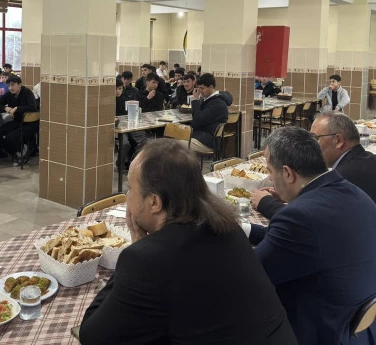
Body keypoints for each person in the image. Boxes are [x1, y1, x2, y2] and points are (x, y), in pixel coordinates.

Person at [80, 138, 297, 345]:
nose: (128, 197)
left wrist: (137, 244)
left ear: (154, 202)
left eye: (130, 189)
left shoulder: (146, 259)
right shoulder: (228, 228)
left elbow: (92, 335)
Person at [252, 112, 376, 326]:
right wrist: (245, 230)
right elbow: (297, 238)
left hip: (323, 325)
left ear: (288, 173)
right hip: (360, 309)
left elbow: (254, 274)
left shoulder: (301, 216)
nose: (270, 178)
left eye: (270, 171)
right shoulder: (345, 187)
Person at [0, 75, 38, 163]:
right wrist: (5, 108)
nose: (10, 88)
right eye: (8, 86)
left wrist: (17, 108)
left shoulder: (27, 92)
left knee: (10, 137)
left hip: (31, 123)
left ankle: (21, 151)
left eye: (12, 85)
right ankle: (16, 151)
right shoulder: (10, 94)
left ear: (19, 84)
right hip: (18, 121)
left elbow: (33, 107)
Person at [185, 73, 229, 152]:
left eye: (202, 88)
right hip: (202, 136)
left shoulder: (217, 103)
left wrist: (195, 100)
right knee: (172, 141)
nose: (200, 91)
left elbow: (197, 121)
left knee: (175, 146)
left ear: (211, 87)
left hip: (208, 141)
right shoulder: (209, 100)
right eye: (199, 88)